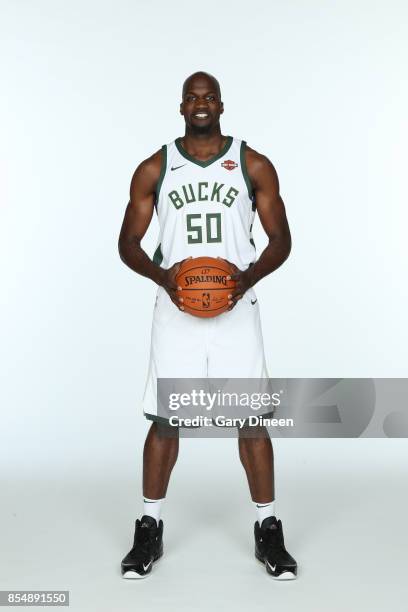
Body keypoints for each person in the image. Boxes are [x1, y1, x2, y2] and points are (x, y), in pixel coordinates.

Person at [118, 71, 297, 580]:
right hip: (176, 310)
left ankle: (268, 529)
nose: (201, 105)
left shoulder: (252, 164)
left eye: (209, 97)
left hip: (237, 309)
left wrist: (246, 277)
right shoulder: (156, 167)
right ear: (181, 108)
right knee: (165, 420)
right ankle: (149, 528)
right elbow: (127, 243)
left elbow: (281, 238)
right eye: (192, 99)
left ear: (221, 105)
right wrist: (164, 276)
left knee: (251, 420)